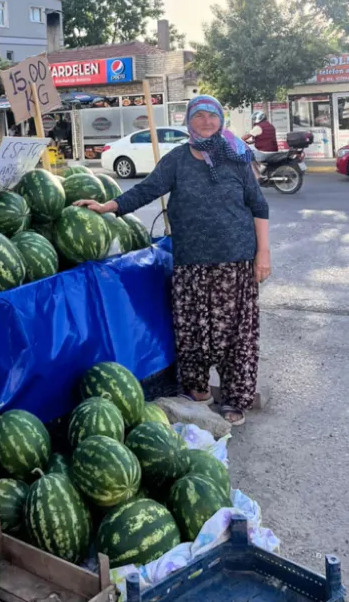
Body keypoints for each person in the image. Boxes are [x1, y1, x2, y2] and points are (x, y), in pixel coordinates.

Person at [75, 95, 271, 426]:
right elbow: (145, 190)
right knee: (193, 331)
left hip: (235, 262)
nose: (207, 121)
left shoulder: (238, 159)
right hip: (191, 264)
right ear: (188, 121)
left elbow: (259, 206)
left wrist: (262, 254)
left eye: (212, 115)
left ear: (221, 121)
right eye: (200, 116)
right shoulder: (177, 160)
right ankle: (198, 392)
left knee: (235, 335)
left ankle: (236, 397)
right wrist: (108, 206)